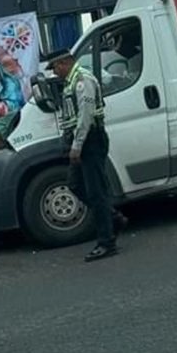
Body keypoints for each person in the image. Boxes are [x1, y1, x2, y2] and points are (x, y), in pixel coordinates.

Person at [42, 48, 118, 262]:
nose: (55, 72)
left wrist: (77, 145)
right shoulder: (71, 82)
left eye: (55, 67)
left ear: (64, 63)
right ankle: (113, 218)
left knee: (96, 192)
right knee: (75, 184)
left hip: (90, 140)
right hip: (83, 140)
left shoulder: (82, 80)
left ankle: (106, 242)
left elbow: (86, 116)